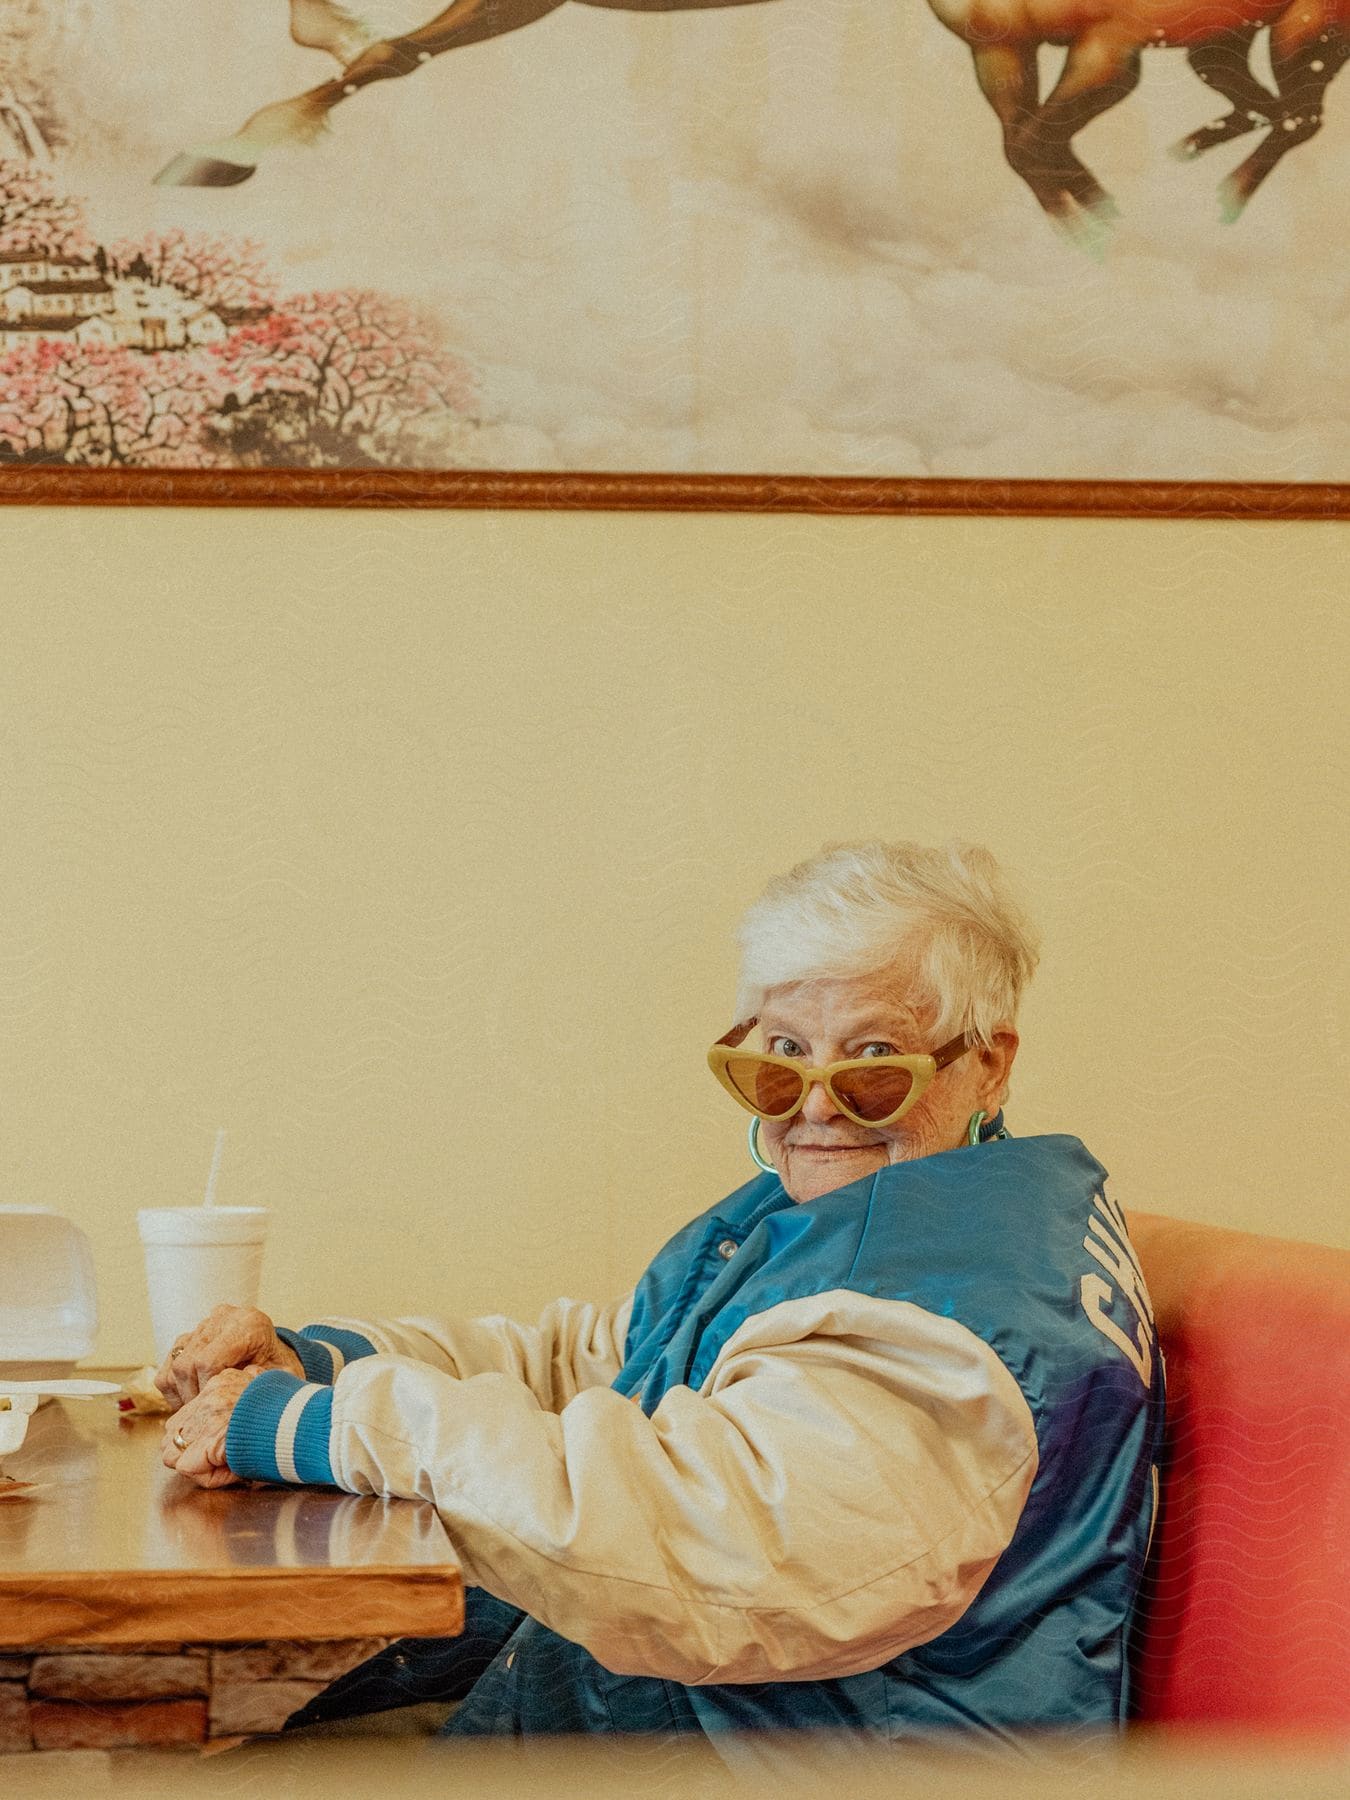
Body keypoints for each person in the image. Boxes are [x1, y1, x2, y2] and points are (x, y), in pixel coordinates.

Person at [157, 839, 1165, 1752]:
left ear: (987, 1064)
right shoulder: (893, 1205)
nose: (813, 1108)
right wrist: (320, 1360)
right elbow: (611, 1361)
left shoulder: (947, 1322)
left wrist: (313, 1428)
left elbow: (685, 1546)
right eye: (777, 1060)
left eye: (871, 1063)